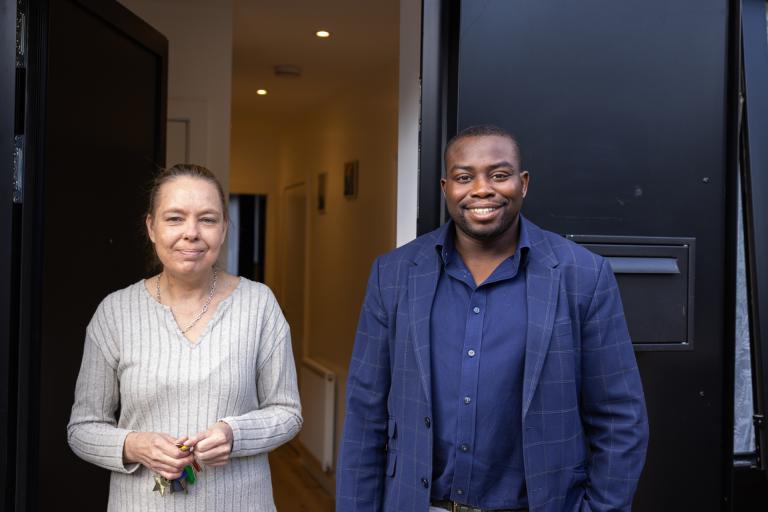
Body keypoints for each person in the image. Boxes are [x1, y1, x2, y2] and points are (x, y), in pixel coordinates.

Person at [336, 125, 648, 512]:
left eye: (499, 175)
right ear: (446, 186)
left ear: (524, 183)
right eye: (465, 177)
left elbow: (620, 417)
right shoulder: (394, 274)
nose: (481, 189)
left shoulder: (582, 275)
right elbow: (366, 415)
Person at [68, 164, 302, 511]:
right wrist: (136, 445)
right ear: (151, 227)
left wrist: (233, 434)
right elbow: (82, 429)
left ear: (224, 229)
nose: (191, 233)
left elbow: (288, 412)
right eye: (175, 218)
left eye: (207, 219)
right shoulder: (115, 313)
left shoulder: (259, 305)